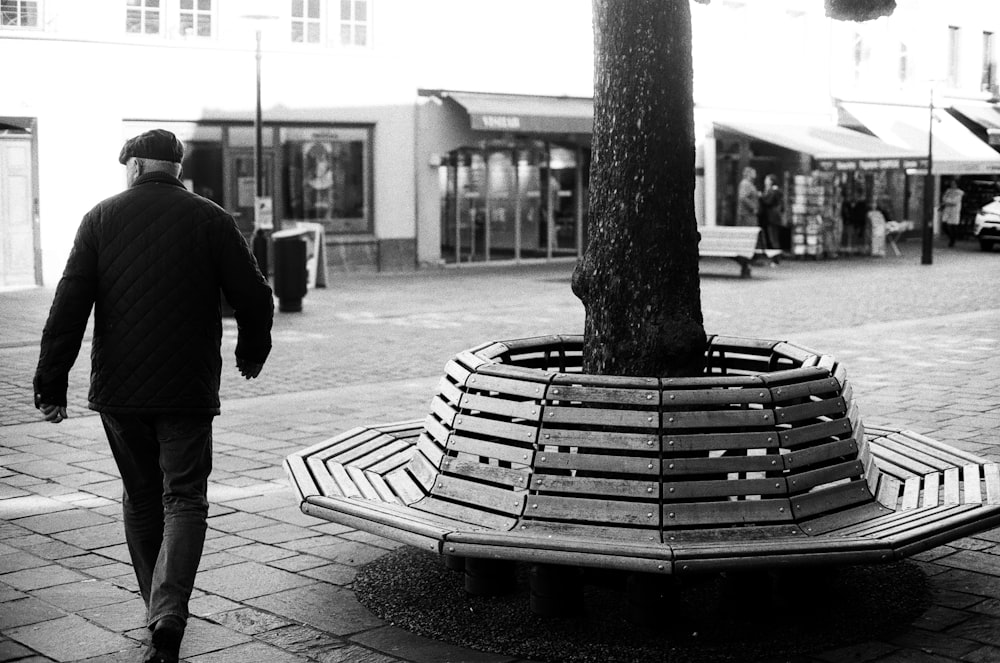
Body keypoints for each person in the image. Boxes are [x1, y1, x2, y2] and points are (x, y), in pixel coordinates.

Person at [33, 129, 274, 663]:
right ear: (175, 170)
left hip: (120, 392)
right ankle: (169, 610)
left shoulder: (100, 218)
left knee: (141, 496)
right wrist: (250, 352)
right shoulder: (211, 219)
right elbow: (256, 295)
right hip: (187, 390)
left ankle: (158, 611)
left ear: (137, 167)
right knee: (184, 497)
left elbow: (68, 306)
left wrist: (52, 384)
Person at [758, 173, 784, 250]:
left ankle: (776, 255)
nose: (765, 181)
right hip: (773, 217)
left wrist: (761, 196)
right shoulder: (773, 190)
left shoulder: (774, 191)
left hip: (772, 217)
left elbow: (768, 201)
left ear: (771, 181)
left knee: (773, 236)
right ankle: (775, 253)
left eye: (767, 179)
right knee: (772, 236)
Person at [940, 178, 964, 247]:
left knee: (953, 226)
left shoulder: (959, 192)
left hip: (954, 211)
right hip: (947, 210)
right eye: (951, 183)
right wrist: (947, 201)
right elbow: (944, 198)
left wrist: (947, 201)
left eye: (954, 183)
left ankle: (952, 240)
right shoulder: (948, 191)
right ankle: (951, 237)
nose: (952, 185)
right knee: (944, 225)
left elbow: (955, 202)